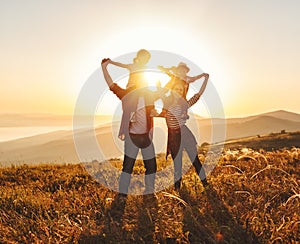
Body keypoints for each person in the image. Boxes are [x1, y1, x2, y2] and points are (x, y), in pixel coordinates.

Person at [101, 57, 160, 197]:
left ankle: (149, 192)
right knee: (127, 167)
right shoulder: (126, 95)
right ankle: (122, 195)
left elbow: (159, 100)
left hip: (146, 137)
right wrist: (104, 67)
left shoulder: (148, 96)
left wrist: (156, 110)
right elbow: (111, 84)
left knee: (151, 166)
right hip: (132, 137)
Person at [162, 72, 209, 190]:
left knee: (195, 161)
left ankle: (206, 185)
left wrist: (205, 79)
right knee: (177, 165)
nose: (178, 91)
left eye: (180, 90)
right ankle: (177, 189)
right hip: (173, 137)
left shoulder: (184, 104)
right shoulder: (166, 103)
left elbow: (198, 95)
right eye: (176, 89)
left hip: (185, 134)